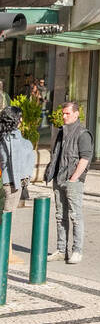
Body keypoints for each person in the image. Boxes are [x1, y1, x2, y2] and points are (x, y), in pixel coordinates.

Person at [44, 101, 93, 265]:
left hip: (73, 181)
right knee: (60, 216)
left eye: (67, 113)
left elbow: (85, 158)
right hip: (59, 178)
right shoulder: (61, 132)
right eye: (63, 113)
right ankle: (61, 249)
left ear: (76, 114)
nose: (64, 116)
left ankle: (77, 251)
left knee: (75, 216)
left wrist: (74, 178)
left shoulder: (83, 134)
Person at [0, 106, 35, 266]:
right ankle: (6, 253)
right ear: (15, 120)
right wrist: (21, 181)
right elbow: (16, 162)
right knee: (8, 217)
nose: (21, 120)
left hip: (5, 181)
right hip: (11, 183)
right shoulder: (15, 138)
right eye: (20, 117)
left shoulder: (3, 136)